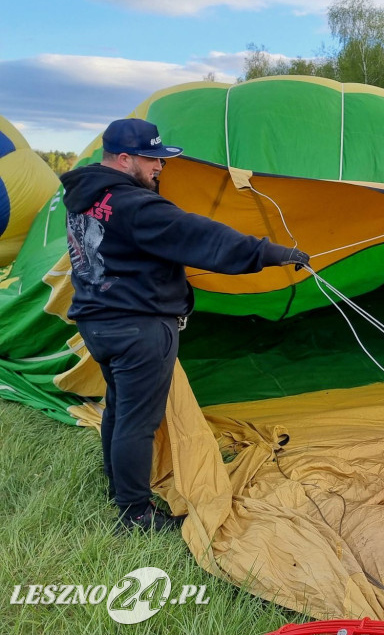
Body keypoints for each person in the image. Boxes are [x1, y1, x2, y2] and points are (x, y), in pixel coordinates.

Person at [61, 118, 310, 533]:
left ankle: (117, 487)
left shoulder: (84, 195)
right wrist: (270, 252)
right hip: (138, 327)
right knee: (139, 421)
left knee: (120, 408)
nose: (160, 167)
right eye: (152, 159)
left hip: (97, 319)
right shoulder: (136, 206)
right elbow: (200, 235)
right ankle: (133, 514)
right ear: (124, 159)